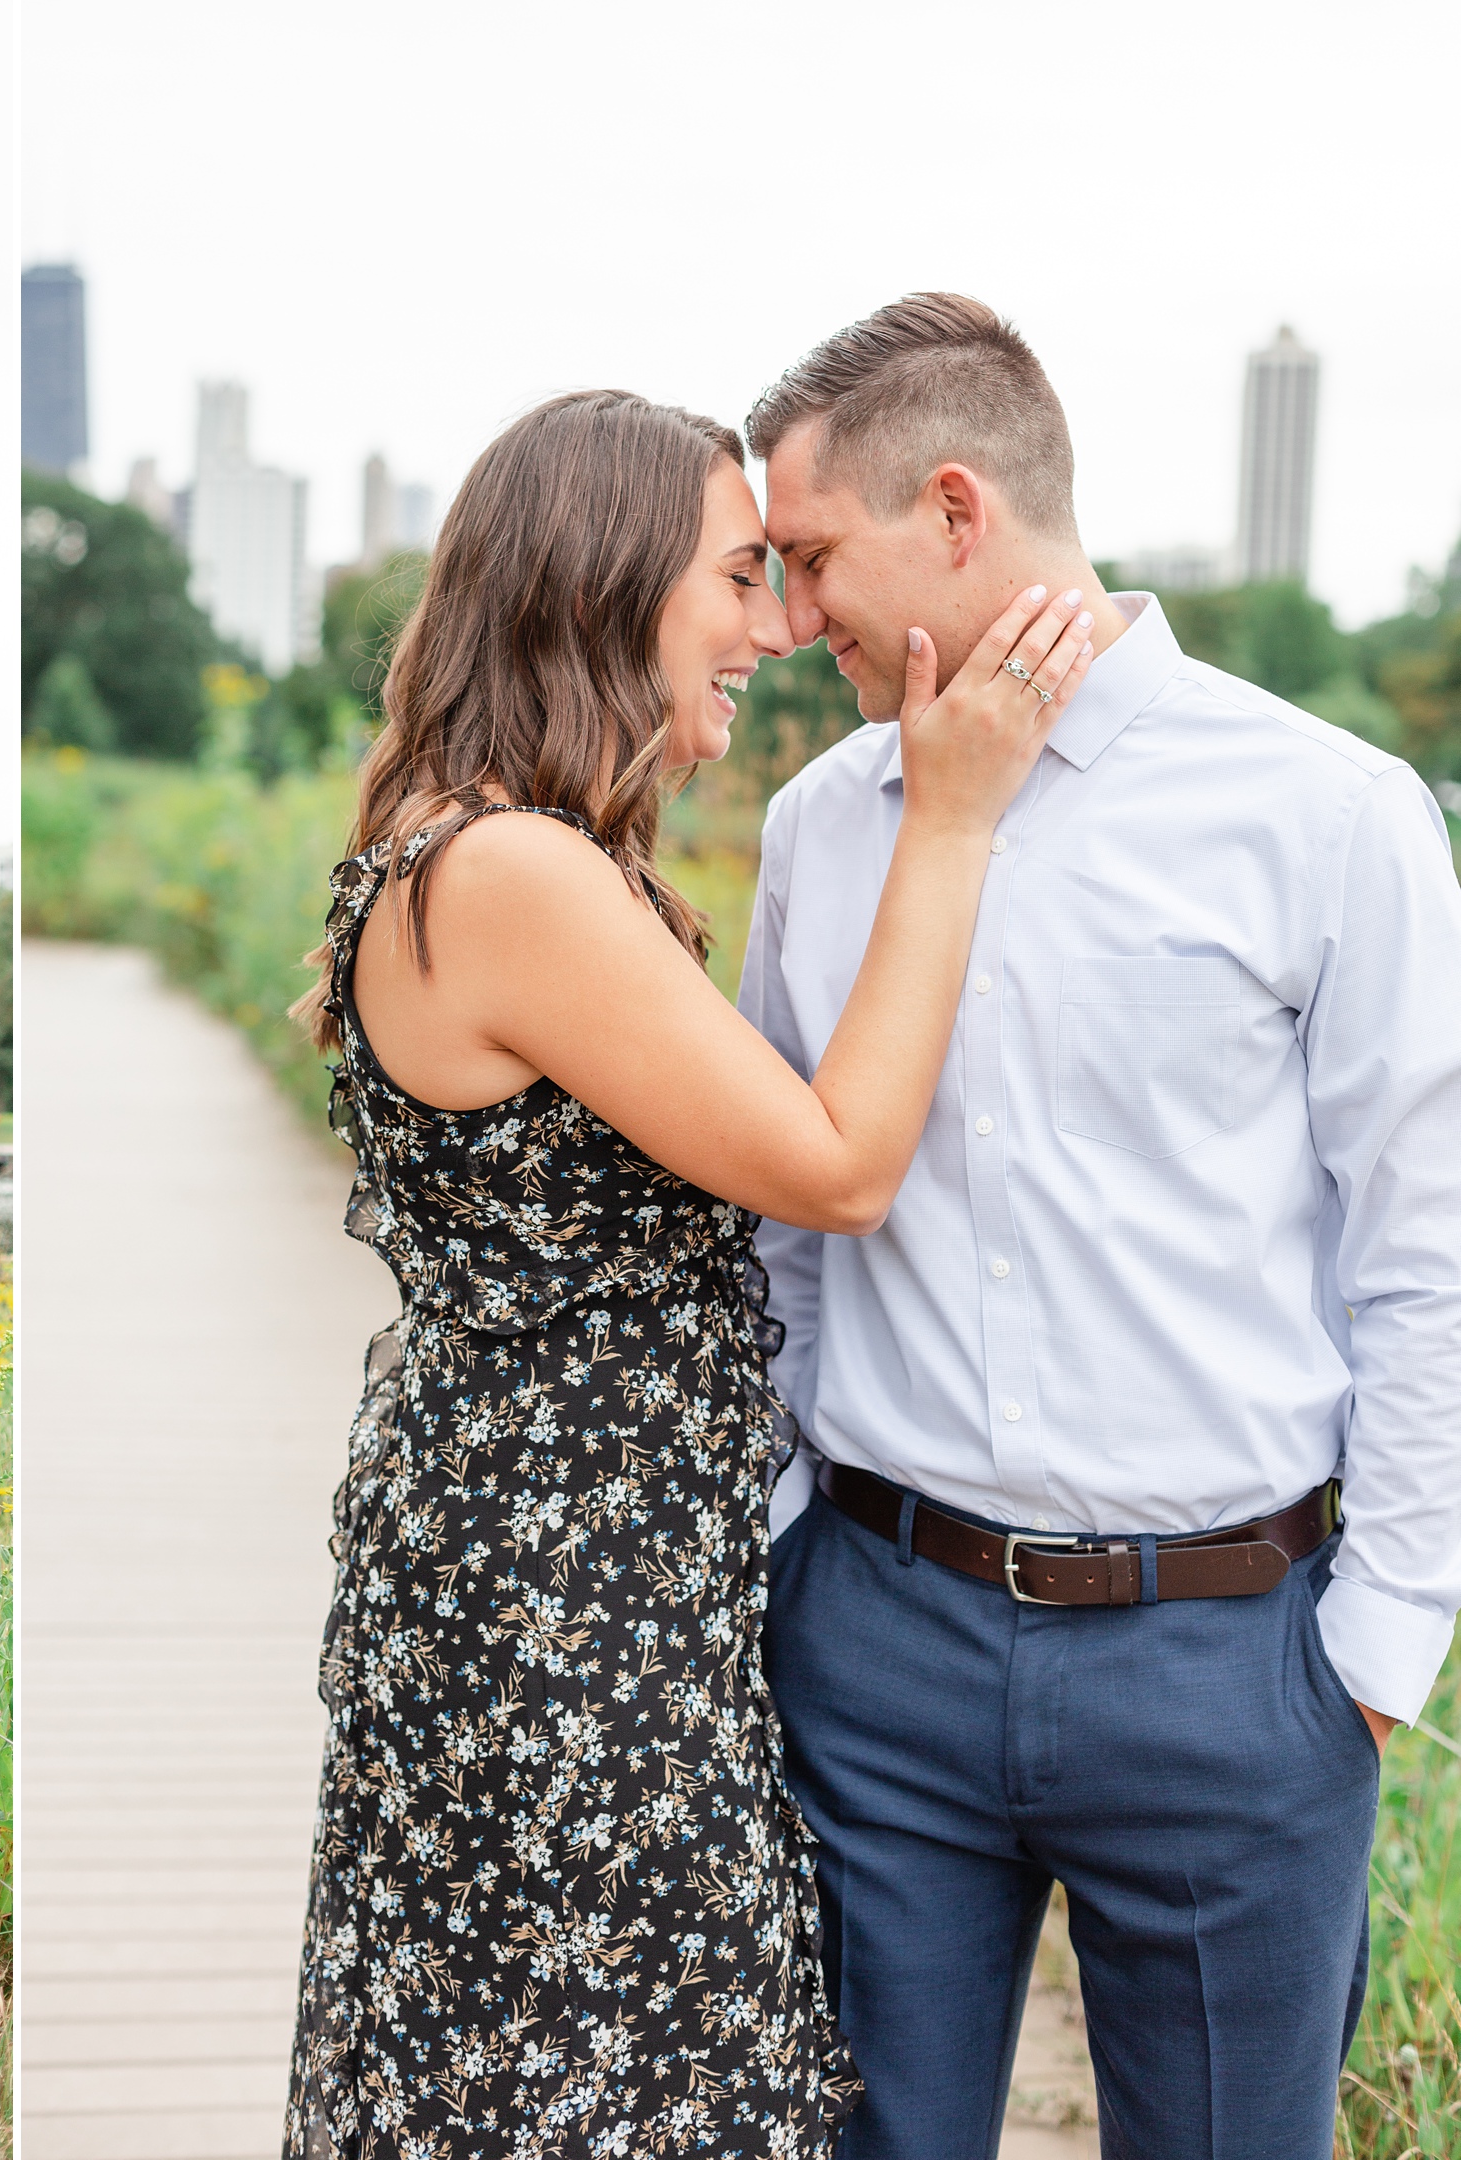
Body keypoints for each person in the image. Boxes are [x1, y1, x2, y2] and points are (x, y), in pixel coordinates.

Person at [280, 387, 1093, 2154]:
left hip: (581, 1579)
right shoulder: (511, 871)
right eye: (737, 576)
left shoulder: (498, 846)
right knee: (608, 2085)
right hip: (565, 1614)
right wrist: (951, 819)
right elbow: (837, 1165)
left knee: (560, 2080)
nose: (775, 627)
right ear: (609, 581)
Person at [739, 294, 1461, 2156]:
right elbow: (784, 1238)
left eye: (811, 556)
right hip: (874, 1652)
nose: (790, 615)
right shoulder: (821, 827)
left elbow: (1427, 1253)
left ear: (954, 511)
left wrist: (1370, 1657)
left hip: (1229, 1672)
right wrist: (790, 1551)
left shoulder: (1327, 813)